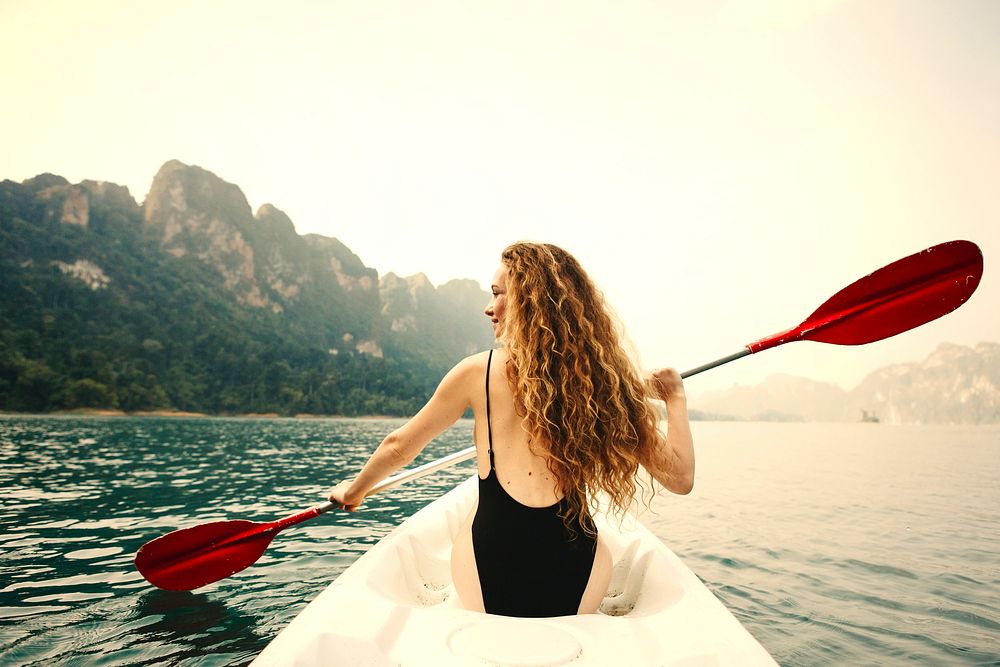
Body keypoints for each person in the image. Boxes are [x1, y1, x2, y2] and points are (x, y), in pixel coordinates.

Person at [327, 241, 694, 617]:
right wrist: (675, 398)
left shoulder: (477, 373)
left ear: (530, 303)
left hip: (489, 575)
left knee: (470, 526)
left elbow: (400, 446)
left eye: (498, 294)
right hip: (576, 575)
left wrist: (355, 491)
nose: (489, 307)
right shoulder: (603, 387)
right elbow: (680, 477)